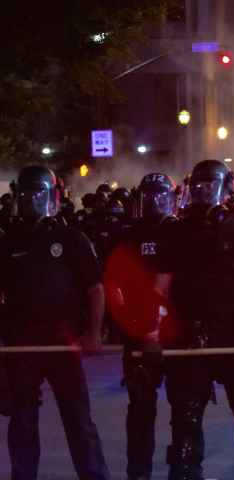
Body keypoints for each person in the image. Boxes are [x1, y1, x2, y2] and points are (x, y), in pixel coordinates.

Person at [154, 160, 234, 480]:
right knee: (187, 419)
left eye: (207, 187)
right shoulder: (176, 232)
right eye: (197, 188)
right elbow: (161, 289)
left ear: (227, 189)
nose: (202, 194)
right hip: (191, 337)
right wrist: (151, 334)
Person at [0, 165, 110, 480]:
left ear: (52, 196)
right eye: (26, 194)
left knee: (78, 419)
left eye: (38, 194)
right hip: (22, 344)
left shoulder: (71, 238)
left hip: (63, 343)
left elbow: (95, 288)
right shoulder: (8, 241)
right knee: (22, 421)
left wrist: (93, 333)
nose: (32, 200)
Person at [105, 172, 178, 480]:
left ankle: (183, 469)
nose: (156, 204)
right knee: (140, 408)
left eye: (162, 197)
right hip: (140, 331)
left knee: (185, 409)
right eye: (150, 198)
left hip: (176, 332)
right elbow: (112, 283)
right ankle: (139, 472)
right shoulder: (128, 234)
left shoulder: (181, 232)